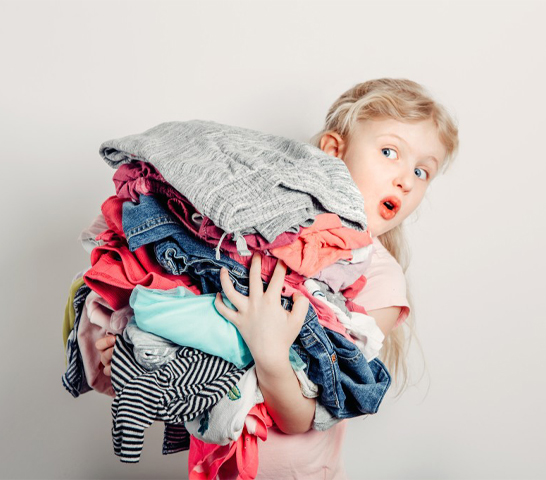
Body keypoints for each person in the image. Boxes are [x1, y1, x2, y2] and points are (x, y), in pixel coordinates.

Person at [95, 78, 459, 479]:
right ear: (334, 153)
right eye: (390, 152)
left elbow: (299, 419)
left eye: (423, 171)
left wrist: (269, 348)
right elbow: (200, 340)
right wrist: (141, 355)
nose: (406, 179)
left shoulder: (381, 282)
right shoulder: (259, 241)